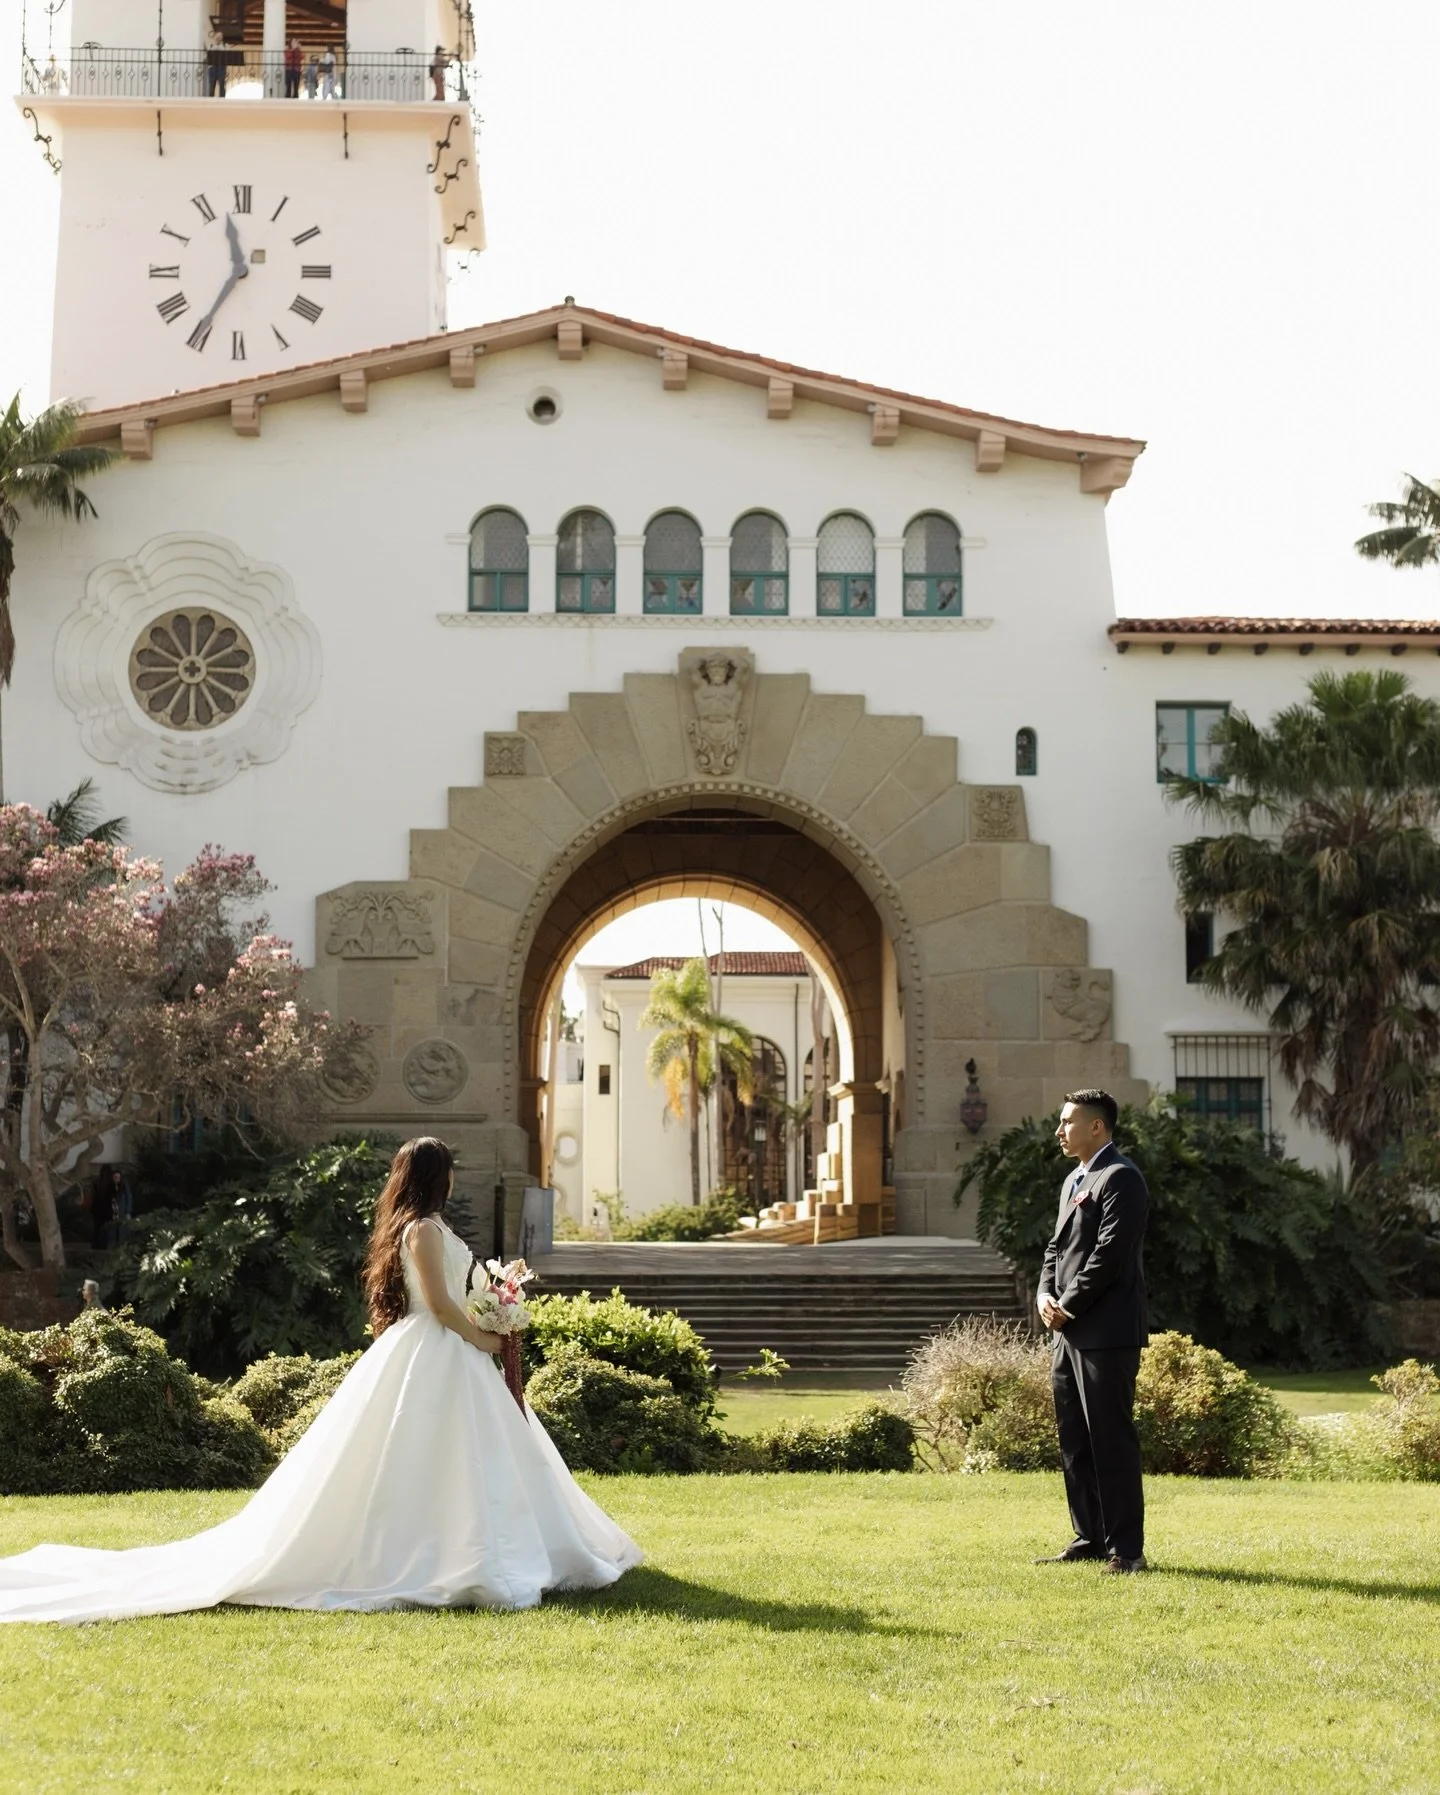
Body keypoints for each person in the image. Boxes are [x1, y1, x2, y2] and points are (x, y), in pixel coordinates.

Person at [0, 1137, 641, 1623]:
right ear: (434, 1178)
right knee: (426, 1456)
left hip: (453, 1350)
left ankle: (502, 1548)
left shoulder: (437, 1227)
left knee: (483, 1456)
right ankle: (445, 1557)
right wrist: (484, 1336)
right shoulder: (419, 1230)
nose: (451, 1179)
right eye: (446, 1171)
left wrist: (495, 1310)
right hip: (433, 1346)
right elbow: (440, 1305)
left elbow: (463, 1295)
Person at [1034, 1089, 1150, 1574]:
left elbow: (1109, 1255)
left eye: (1067, 1122)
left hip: (1107, 1332)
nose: (1060, 1131)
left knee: (1110, 1440)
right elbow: (1056, 1250)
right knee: (1075, 1440)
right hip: (1068, 1332)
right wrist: (1044, 1295)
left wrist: (1069, 1305)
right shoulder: (1073, 1180)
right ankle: (1089, 1538)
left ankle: (1128, 1551)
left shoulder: (1121, 1178)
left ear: (1096, 1127)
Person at [205, 21, 227, 98]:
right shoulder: (211, 46)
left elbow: (227, 56)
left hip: (221, 67)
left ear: (222, 38)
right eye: (217, 36)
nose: (218, 38)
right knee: (212, 85)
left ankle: (222, 99)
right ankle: (210, 100)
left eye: (220, 36)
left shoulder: (225, 46)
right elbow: (208, 56)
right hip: (212, 68)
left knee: (222, 85)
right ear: (215, 37)